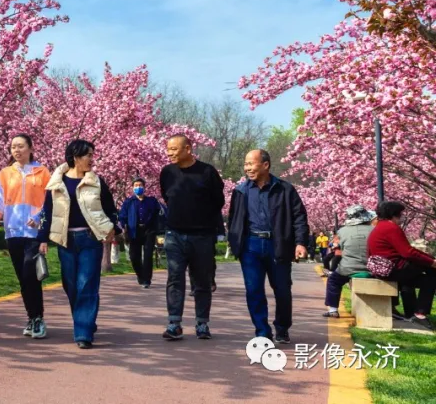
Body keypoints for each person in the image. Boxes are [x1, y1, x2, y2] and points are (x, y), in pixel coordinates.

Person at [37, 139, 118, 348]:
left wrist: (112, 229)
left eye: (93, 155)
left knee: (87, 283)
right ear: (75, 157)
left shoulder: (97, 181)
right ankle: (86, 319)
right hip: (65, 240)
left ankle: (83, 333)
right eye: (88, 155)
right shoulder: (56, 182)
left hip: (90, 239)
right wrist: (42, 238)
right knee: (71, 284)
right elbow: (47, 211)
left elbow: (111, 208)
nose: (92, 159)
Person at [226, 149, 309, 344]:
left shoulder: (285, 189)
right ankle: (262, 331)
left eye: (251, 163)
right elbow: (234, 219)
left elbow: (299, 217)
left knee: (282, 289)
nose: (247, 168)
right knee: (253, 289)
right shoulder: (240, 191)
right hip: (250, 246)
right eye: (246, 164)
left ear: (265, 165)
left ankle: (282, 327)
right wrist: (235, 242)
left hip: (278, 244)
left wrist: (300, 243)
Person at [0, 133, 52, 339]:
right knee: (23, 278)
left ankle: (38, 318)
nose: (16, 150)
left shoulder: (42, 173)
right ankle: (32, 317)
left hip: (33, 233)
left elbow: (49, 203)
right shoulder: (5, 174)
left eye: (21, 146)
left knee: (31, 274)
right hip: (13, 233)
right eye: (13, 147)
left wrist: (39, 219)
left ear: (31, 148)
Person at [159, 134, 225, 341]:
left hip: (202, 236)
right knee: (175, 278)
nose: (170, 153)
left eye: (174, 149)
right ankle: (174, 324)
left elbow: (218, 201)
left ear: (188, 148)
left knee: (202, 281)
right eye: (168, 149)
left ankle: (202, 323)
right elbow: (167, 197)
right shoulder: (167, 172)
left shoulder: (207, 172)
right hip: (174, 234)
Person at [368, 201, 436, 331]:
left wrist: (430, 260)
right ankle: (420, 314)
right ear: (394, 215)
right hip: (393, 269)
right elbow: (408, 252)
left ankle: (413, 312)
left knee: (421, 279)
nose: (402, 217)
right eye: (401, 214)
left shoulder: (379, 227)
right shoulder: (391, 228)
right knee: (432, 273)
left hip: (384, 269)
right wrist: (432, 262)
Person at [322, 205, 374, 318]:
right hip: (372, 268)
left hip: (348, 269)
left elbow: (334, 246)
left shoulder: (342, 231)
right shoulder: (374, 230)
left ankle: (333, 310)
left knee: (333, 281)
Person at [118, 176, 162, 288]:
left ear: (144, 187)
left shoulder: (152, 201)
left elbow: (159, 214)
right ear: (132, 188)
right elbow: (122, 216)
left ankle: (147, 280)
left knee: (147, 256)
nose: (138, 187)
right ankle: (140, 275)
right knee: (134, 256)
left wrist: (158, 228)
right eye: (136, 186)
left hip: (149, 231)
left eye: (140, 185)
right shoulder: (128, 202)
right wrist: (123, 226)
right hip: (134, 231)